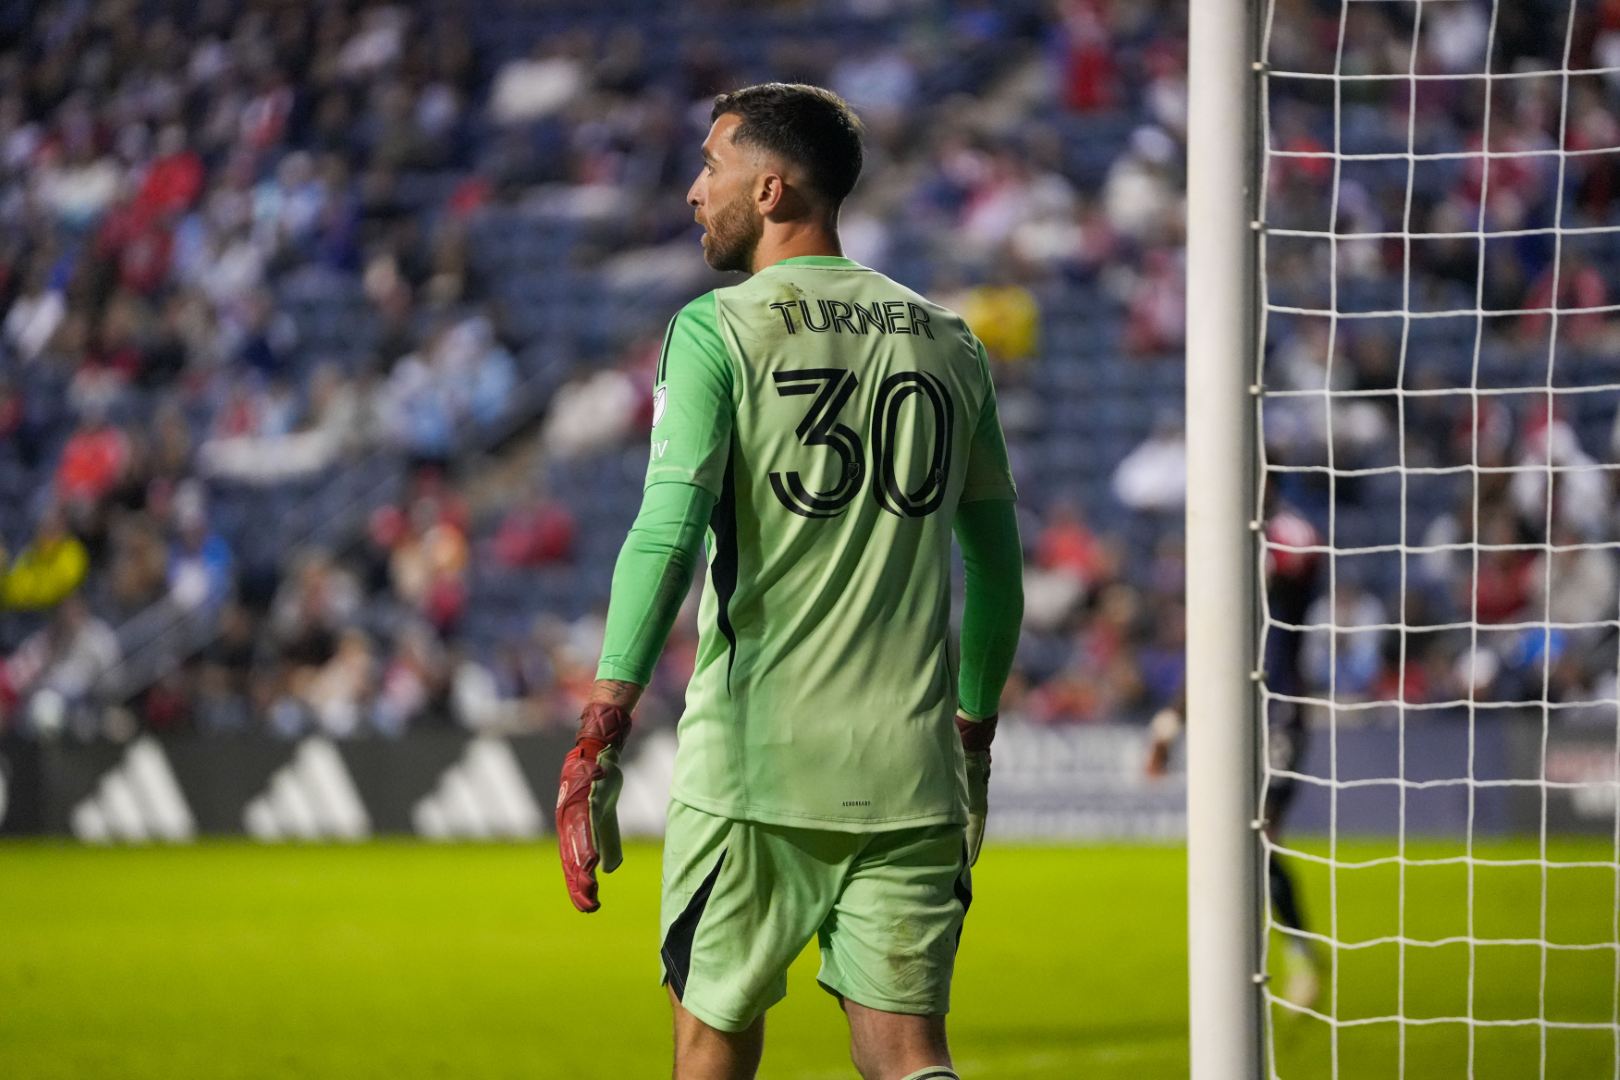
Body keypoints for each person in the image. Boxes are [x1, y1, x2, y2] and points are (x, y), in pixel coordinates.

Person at [552, 83, 1023, 1080]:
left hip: (754, 773)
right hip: (911, 775)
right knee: (909, 1054)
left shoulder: (716, 329)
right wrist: (972, 738)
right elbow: (996, 567)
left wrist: (602, 725)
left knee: (710, 1044)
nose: (694, 192)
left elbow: (668, 532)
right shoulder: (950, 340)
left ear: (770, 190)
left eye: (711, 167)